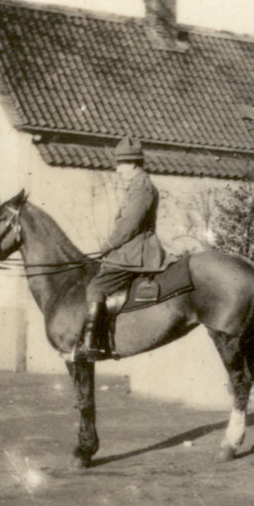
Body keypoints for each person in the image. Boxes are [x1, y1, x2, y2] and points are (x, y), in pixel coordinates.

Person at [75, 136, 169, 360]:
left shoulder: (142, 188)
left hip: (136, 252)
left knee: (96, 286)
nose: (118, 170)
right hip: (129, 249)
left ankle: (92, 345)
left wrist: (106, 246)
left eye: (122, 164)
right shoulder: (137, 186)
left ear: (134, 164)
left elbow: (129, 225)